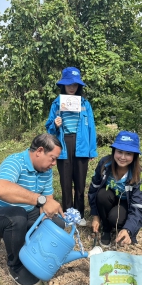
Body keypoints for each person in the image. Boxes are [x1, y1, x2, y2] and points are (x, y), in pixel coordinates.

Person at [0, 134, 64, 285]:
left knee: (56, 222)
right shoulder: (15, 161)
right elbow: (1, 189)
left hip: (25, 214)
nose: (54, 163)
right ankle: (15, 264)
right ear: (40, 151)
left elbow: (48, 202)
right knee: (17, 216)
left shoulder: (46, 171)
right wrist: (40, 200)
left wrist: (49, 214)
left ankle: (30, 250)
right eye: (52, 158)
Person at [46, 67, 98, 226]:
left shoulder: (85, 104)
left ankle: (80, 214)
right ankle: (68, 215)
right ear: (63, 84)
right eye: (68, 84)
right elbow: (49, 127)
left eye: (75, 84)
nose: (72, 87)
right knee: (66, 182)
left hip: (81, 144)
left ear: (79, 86)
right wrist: (55, 124)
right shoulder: (56, 103)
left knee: (80, 183)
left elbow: (91, 128)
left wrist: (92, 150)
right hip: (63, 145)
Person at [88, 130, 142, 247]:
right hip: (109, 198)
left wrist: (128, 229)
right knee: (102, 194)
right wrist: (95, 216)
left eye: (128, 154)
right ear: (113, 151)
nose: (122, 157)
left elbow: (140, 207)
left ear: (135, 156)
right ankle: (106, 229)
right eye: (119, 152)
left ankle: (120, 229)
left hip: (126, 205)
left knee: (115, 218)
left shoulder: (139, 176)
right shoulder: (104, 165)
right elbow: (93, 189)